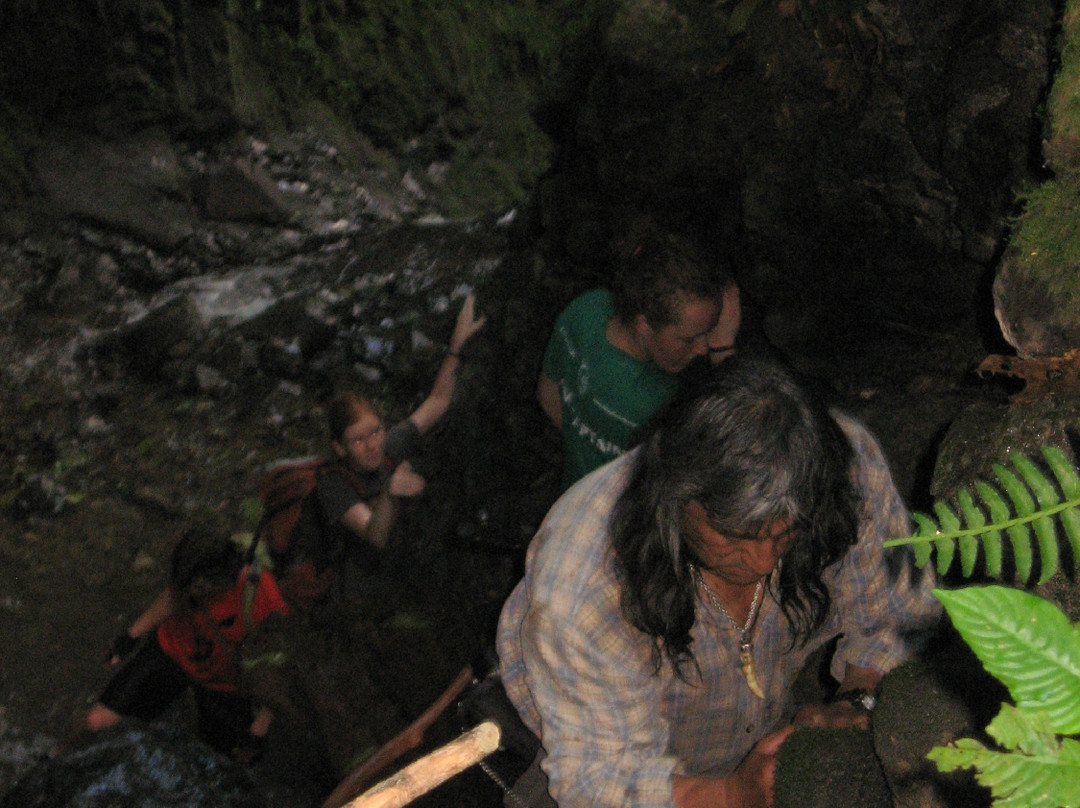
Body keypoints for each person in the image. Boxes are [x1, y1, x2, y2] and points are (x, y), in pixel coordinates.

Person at [497, 356, 942, 808]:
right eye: (735, 537)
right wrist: (729, 794)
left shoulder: (844, 467)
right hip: (595, 738)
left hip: (750, 721)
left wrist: (855, 700)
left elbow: (900, 606)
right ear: (676, 496)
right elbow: (600, 778)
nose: (765, 560)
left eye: (787, 533)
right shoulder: (584, 587)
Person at [272, 292, 486, 606]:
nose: (373, 445)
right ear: (339, 448)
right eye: (359, 440)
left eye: (376, 431)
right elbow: (375, 536)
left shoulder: (389, 444)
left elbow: (437, 403)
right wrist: (390, 493)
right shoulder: (331, 485)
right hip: (347, 579)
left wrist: (456, 346)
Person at [74, 522, 289, 762]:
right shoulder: (191, 575)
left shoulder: (266, 600)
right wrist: (130, 637)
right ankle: (54, 762)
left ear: (220, 580)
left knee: (225, 760)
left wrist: (257, 731)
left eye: (197, 588)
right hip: (172, 650)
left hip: (224, 686)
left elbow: (278, 672)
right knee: (93, 722)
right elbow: (172, 598)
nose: (188, 594)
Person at [536, 232, 732, 487]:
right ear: (643, 326)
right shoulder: (656, 401)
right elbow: (723, 467)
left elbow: (548, 395)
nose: (703, 348)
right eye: (688, 339)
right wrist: (725, 351)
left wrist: (588, 438)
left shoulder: (587, 308)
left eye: (709, 332)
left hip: (576, 493)